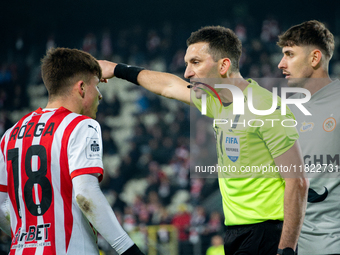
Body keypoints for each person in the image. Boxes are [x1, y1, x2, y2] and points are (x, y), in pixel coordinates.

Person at [99, 26, 309, 255]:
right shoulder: (216, 101)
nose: (187, 72)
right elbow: (169, 86)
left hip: (266, 234)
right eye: (187, 63)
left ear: (223, 65)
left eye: (196, 62)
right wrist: (116, 69)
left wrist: (286, 249)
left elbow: (297, 181)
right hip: (235, 231)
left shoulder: (265, 108)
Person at [0, 48, 144, 255]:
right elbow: (85, 195)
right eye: (96, 86)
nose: (100, 95)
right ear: (82, 88)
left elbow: (1, 207)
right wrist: (128, 249)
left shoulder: (9, 135)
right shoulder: (81, 125)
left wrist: (27, 239)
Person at [278, 20, 340, 255]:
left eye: (290, 54)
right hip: (291, 247)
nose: (281, 64)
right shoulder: (286, 110)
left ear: (315, 58)